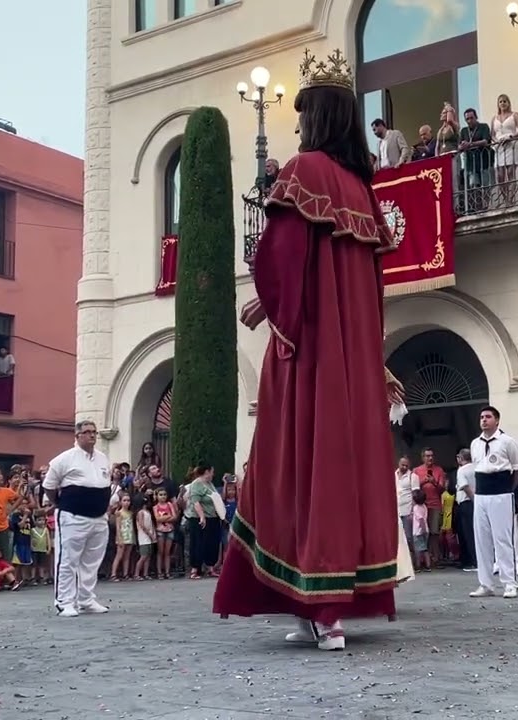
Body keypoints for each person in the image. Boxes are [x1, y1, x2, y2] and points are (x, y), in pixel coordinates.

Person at [212, 47, 405, 652]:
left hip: (311, 352)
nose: (296, 124)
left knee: (295, 467)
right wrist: (372, 359)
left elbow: (283, 258)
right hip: (353, 358)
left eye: (302, 113)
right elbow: (372, 291)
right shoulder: (362, 190)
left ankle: (321, 608)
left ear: (317, 116)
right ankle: (316, 604)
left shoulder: (303, 173)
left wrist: (270, 308)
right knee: (341, 469)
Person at [43, 420, 113, 617]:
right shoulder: (64, 459)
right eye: (87, 432)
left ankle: (86, 599)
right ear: (77, 436)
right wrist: (59, 504)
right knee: (68, 560)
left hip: (98, 517)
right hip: (73, 517)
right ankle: (64, 602)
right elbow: (49, 486)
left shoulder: (102, 458)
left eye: (94, 432)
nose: (92, 435)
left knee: (92, 561)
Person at [468, 405, 518, 600]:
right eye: (482, 417)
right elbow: (477, 467)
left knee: (503, 539)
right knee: (481, 540)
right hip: (481, 494)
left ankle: (510, 583)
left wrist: (508, 488)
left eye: (488, 417)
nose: (484, 420)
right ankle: (486, 584)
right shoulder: (475, 443)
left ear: (497, 420)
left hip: (501, 493)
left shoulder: (507, 442)